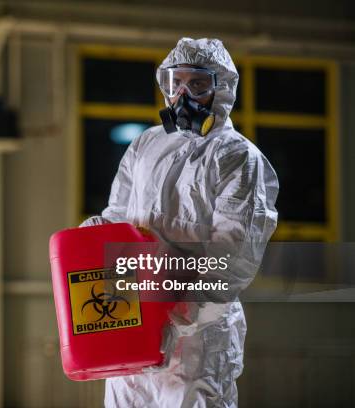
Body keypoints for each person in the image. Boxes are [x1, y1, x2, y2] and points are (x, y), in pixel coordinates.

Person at [80, 38, 279, 407]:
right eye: (175, 83)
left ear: (222, 89)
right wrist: (94, 240)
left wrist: (177, 320)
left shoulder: (237, 158)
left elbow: (231, 259)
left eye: (198, 85)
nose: (183, 94)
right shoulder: (144, 145)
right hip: (133, 322)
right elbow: (119, 221)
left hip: (197, 340)